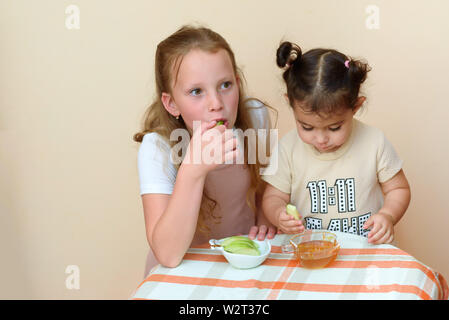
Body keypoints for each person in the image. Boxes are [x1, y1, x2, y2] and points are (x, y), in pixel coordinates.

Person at [134, 25, 276, 274]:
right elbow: (168, 254)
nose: (216, 104)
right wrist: (193, 170)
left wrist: (266, 217)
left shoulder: (255, 118)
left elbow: (266, 185)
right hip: (180, 273)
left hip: (239, 263)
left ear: (238, 83)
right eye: (196, 91)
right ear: (171, 103)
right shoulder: (157, 148)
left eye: (225, 85)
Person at [262, 41, 411, 245]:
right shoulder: (287, 149)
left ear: (356, 107)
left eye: (334, 128)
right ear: (290, 103)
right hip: (309, 252)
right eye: (307, 127)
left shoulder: (374, 142)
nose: (321, 139)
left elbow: (398, 189)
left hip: (365, 252)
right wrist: (279, 215)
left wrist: (388, 215)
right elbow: (272, 197)